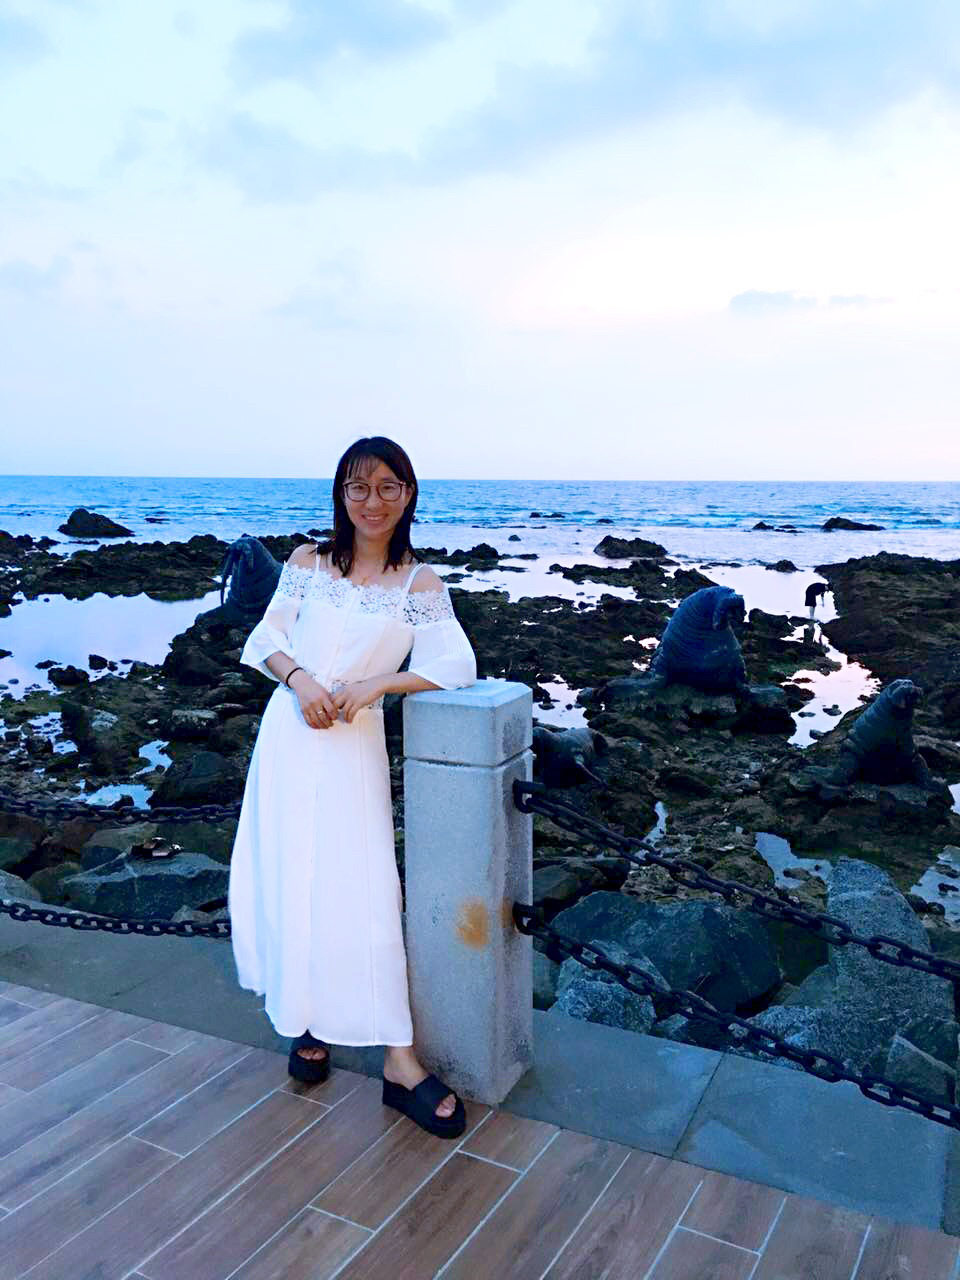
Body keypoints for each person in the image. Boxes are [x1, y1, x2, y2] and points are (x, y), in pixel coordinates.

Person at [228, 437, 477, 1138]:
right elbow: (265, 639)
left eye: (388, 486)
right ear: (341, 494)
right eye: (358, 487)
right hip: (288, 735)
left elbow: (455, 664)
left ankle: (400, 1061)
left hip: (351, 749)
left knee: (363, 891)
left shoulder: (420, 585)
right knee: (290, 876)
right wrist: (300, 680)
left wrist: (377, 685)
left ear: (408, 494)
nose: (373, 501)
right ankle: (304, 1019)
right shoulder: (307, 562)